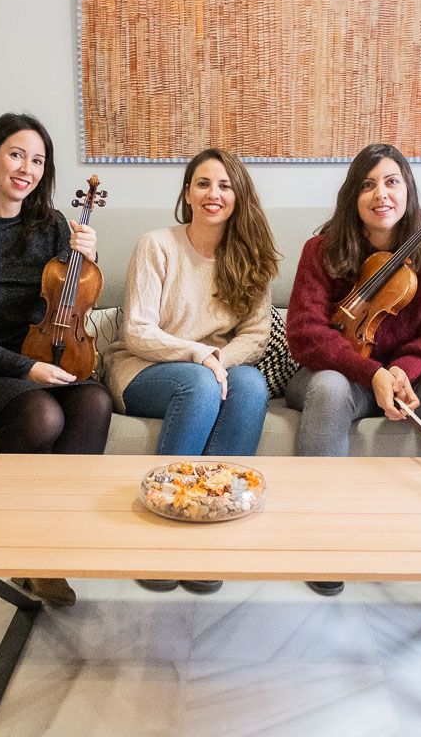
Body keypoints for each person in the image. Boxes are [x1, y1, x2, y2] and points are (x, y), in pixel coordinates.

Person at [285, 143, 421, 597]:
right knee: (330, 387)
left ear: (408, 190)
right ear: (353, 197)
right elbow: (305, 332)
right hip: (340, 377)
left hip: (406, 380)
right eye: (368, 185)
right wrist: (370, 371)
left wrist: (403, 370)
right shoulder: (322, 251)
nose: (381, 194)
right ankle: (321, 542)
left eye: (392, 182)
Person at [0, 113, 113, 607]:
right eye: (16, 155)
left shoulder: (53, 226)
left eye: (37, 161)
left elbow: (75, 299)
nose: (26, 169)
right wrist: (26, 369)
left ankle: (46, 551)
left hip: (49, 354)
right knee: (42, 415)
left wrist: (89, 257)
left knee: (95, 401)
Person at [107, 147, 278, 595]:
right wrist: (199, 355)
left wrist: (218, 360)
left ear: (238, 196)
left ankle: (212, 537)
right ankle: (162, 541)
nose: (212, 194)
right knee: (201, 385)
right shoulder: (157, 245)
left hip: (210, 369)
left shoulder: (251, 257)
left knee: (251, 384)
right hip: (143, 368)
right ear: (187, 193)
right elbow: (137, 331)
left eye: (224, 186)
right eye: (203, 184)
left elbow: (256, 335)